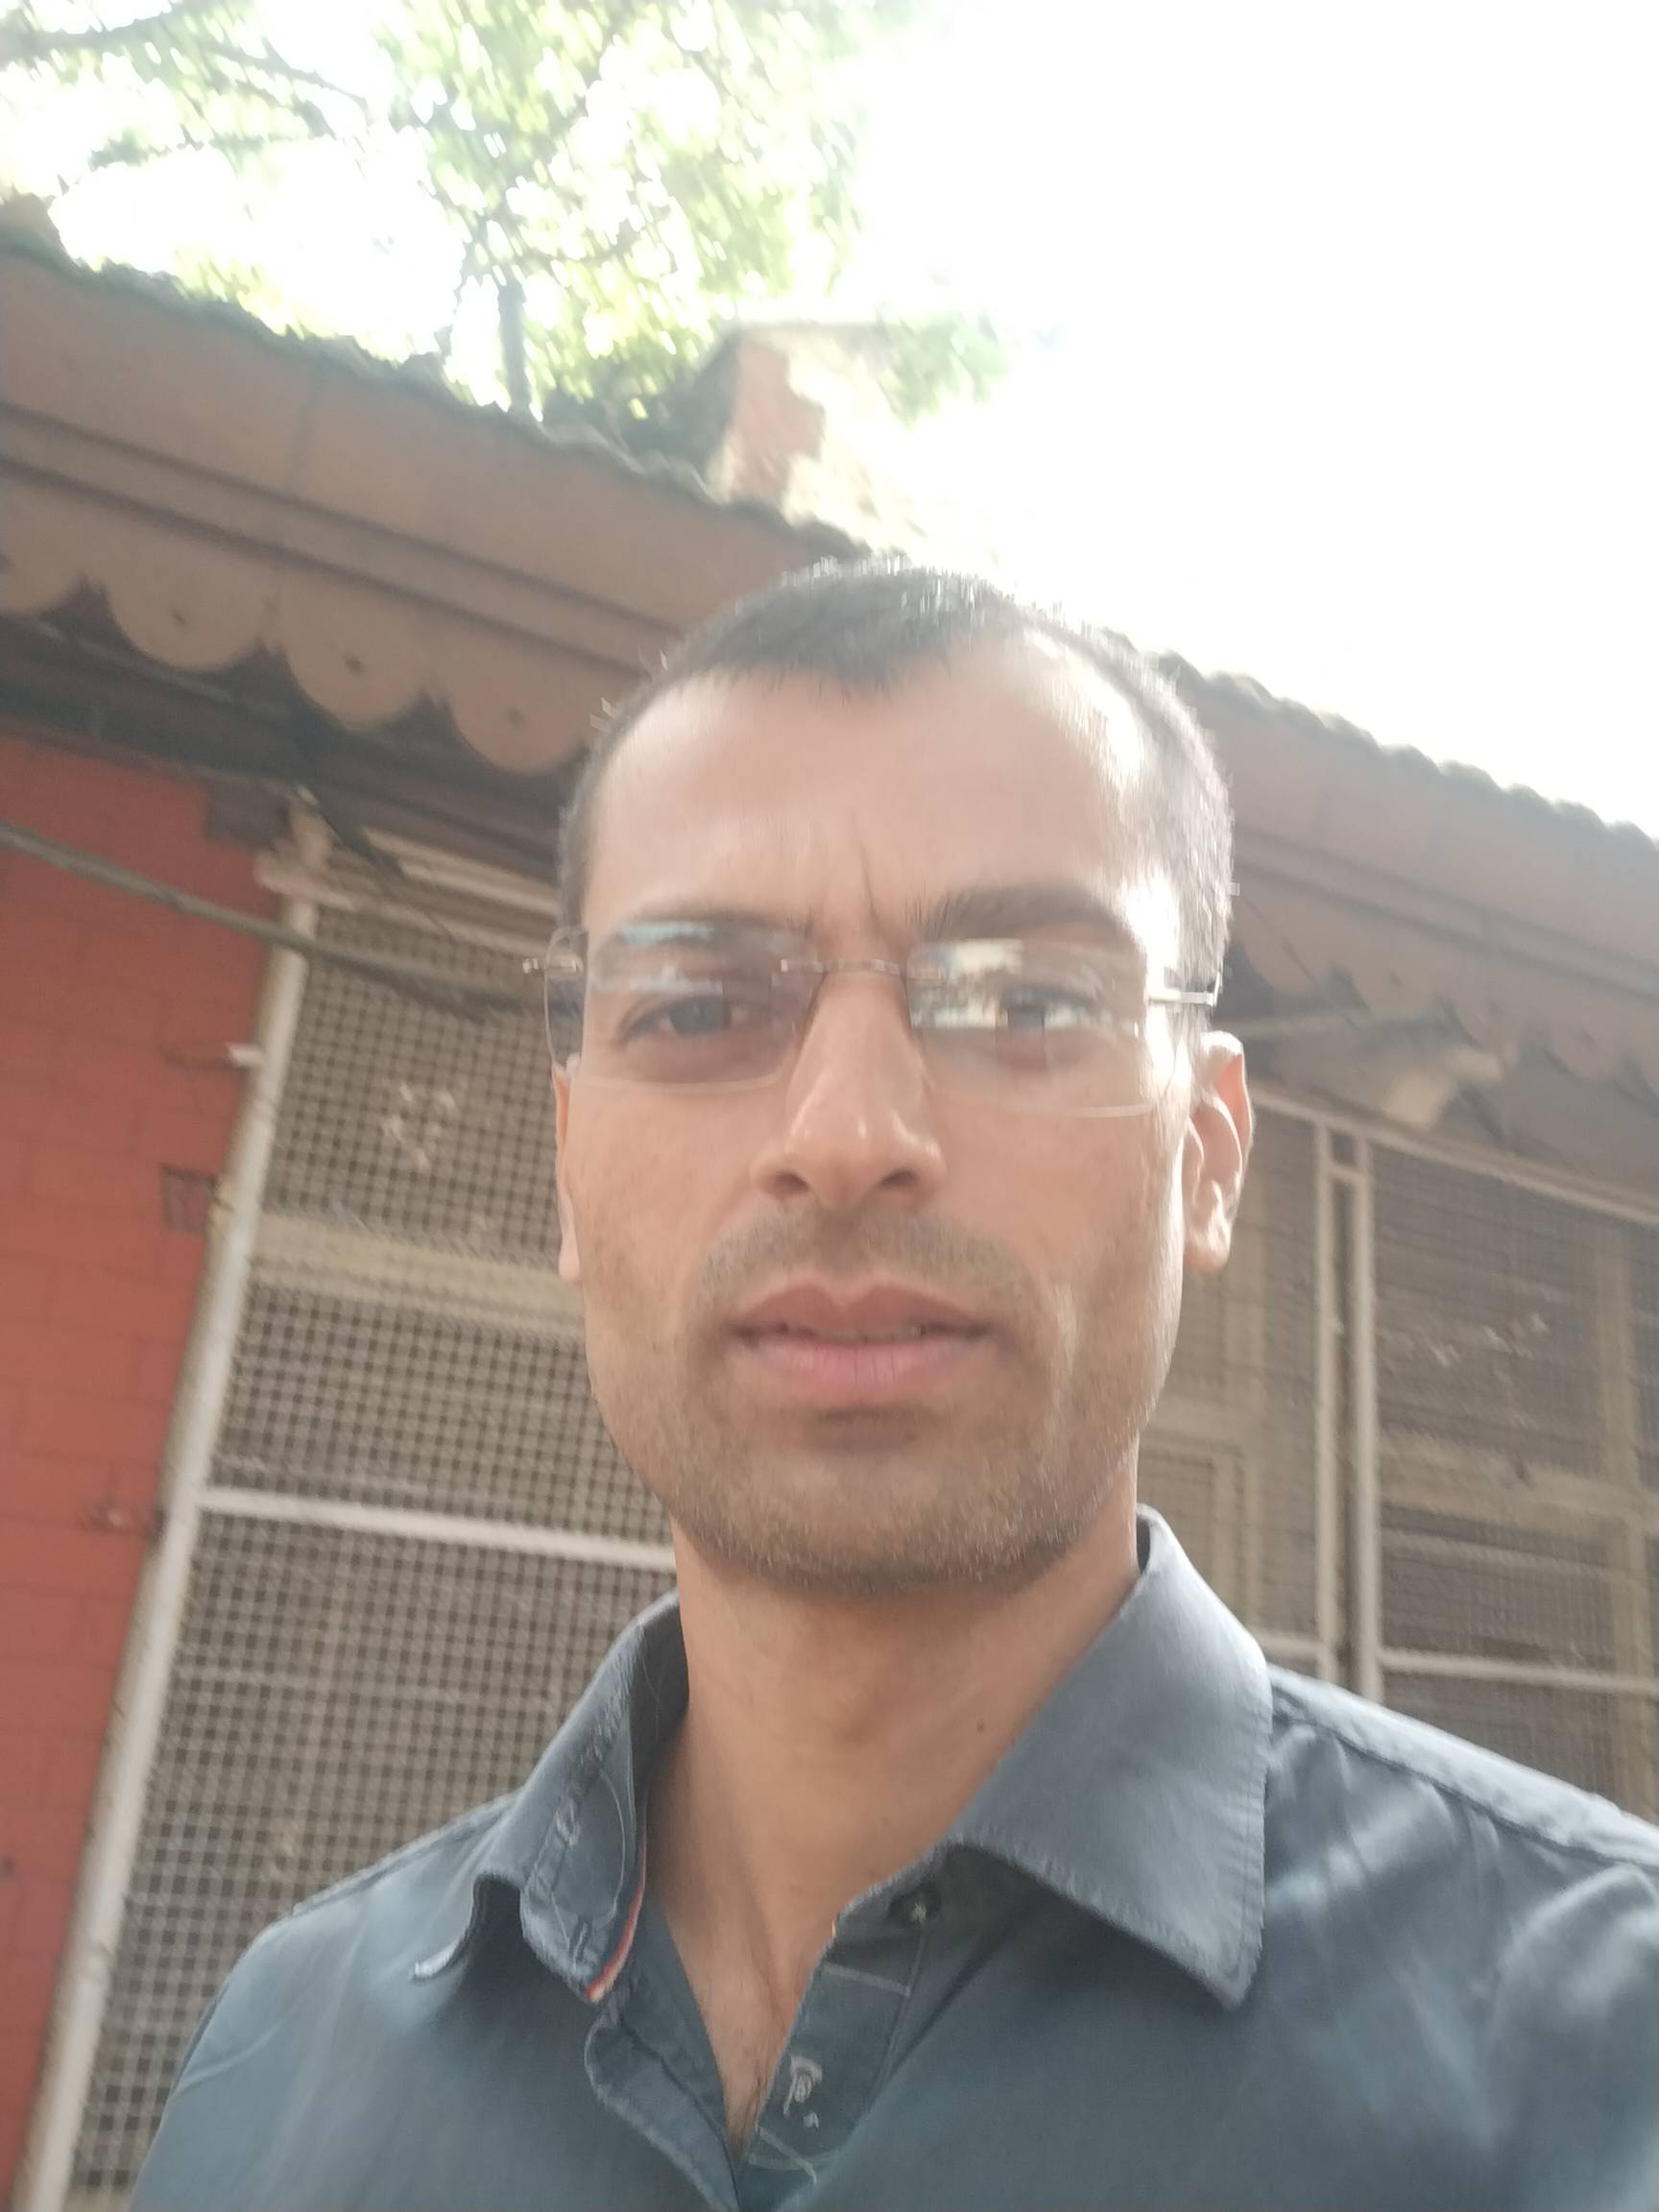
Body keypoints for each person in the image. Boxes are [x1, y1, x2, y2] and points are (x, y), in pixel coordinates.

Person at [132, 562, 1657, 2212]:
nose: (848, 1134)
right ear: (570, 1163)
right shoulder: (277, 2070)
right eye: (700, 1007)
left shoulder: (1602, 2058)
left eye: (1027, 1002)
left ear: (1208, 1160)